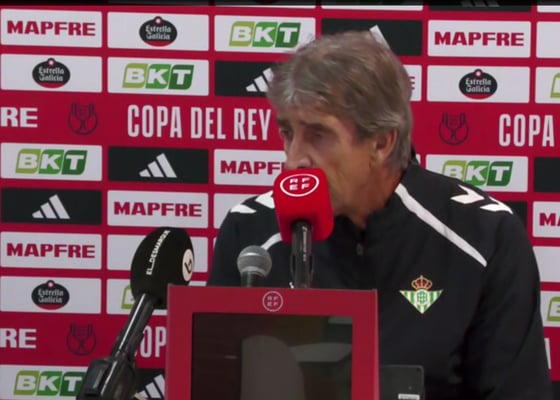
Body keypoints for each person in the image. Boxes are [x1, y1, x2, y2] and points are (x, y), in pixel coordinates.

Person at [208, 30, 553, 399]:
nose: (294, 161)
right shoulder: (250, 231)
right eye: (288, 134)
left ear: (382, 142)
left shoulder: (485, 237)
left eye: (318, 135)